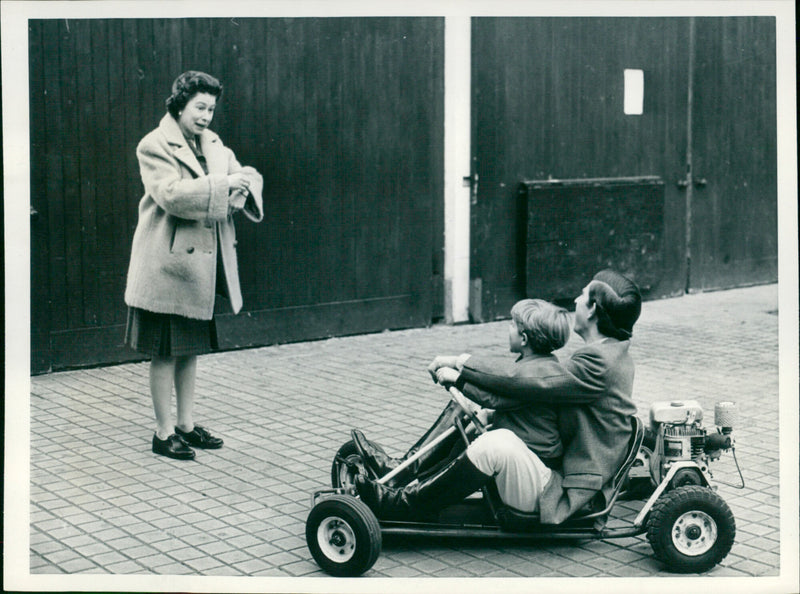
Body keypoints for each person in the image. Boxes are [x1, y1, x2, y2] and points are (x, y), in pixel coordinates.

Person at [355, 270, 641, 524]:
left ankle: (402, 505)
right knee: (480, 416)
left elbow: (522, 380)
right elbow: (528, 384)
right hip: (556, 470)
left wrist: (459, 363)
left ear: (591, 310)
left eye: (582, 294)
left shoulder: (600, 362)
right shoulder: (609, 354)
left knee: (496, 445)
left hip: (567, 493)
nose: (576, 299)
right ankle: (400, 472)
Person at [124, 71, 263, 460]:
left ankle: (186, 425)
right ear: (180, 104)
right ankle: (163, 431)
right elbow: (170, 195)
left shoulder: (213, 144)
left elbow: (247, 174)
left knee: (188, 350)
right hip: (165, 265)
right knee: (165, 353)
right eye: (200, 107)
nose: (206, 116)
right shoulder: (154, 145)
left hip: (198, 268)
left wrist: (242, 186)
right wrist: (224, 187)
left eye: (211, 109)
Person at [352, 299, 571, 488]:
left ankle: (406, 477)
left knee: (468, 432)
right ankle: (403, 473)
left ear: (524, 339)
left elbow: (495, 398)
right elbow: (499, 382)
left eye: (512, 325)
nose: (508, 328)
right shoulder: (536, 365)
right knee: (463, 419)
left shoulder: (536, 375)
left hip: (532, 461)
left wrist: (457, 379)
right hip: (526, 448)